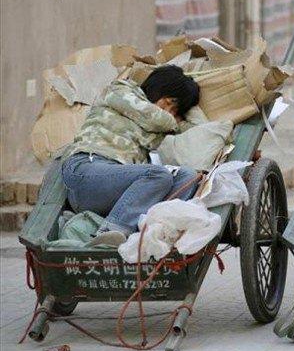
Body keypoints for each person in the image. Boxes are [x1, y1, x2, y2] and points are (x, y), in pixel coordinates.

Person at [61, 65, 200, 246]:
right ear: (160, 90)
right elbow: (155, 117)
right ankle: (109, 234)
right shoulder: (121, 90)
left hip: (122, 187)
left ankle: (149, 235)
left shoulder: (160, 128)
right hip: (87, 170)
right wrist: (174, 122)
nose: (169, 112)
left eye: (175, 111)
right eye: (169, 104)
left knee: (188, 176)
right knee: (158, 175)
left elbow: (199, 132)